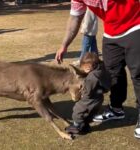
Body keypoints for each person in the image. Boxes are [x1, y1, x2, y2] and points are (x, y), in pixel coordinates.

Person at [55, 0, 140, 139]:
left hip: (136, 24)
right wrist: (64, 45)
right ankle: (116, 109)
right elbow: (75, 17)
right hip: (111, 33)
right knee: (113, 72)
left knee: (138, 73)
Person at [66, 52, 111, 135]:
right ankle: (86, 125)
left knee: (77, 110)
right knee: (90, 113)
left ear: (92, 66)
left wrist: (82, 93)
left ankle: (77, 127)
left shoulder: (92, 77)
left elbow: (88, 92)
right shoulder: (102, 68)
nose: (83, 69)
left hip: (90, 98)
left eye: (85, 67)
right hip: (99, 97)